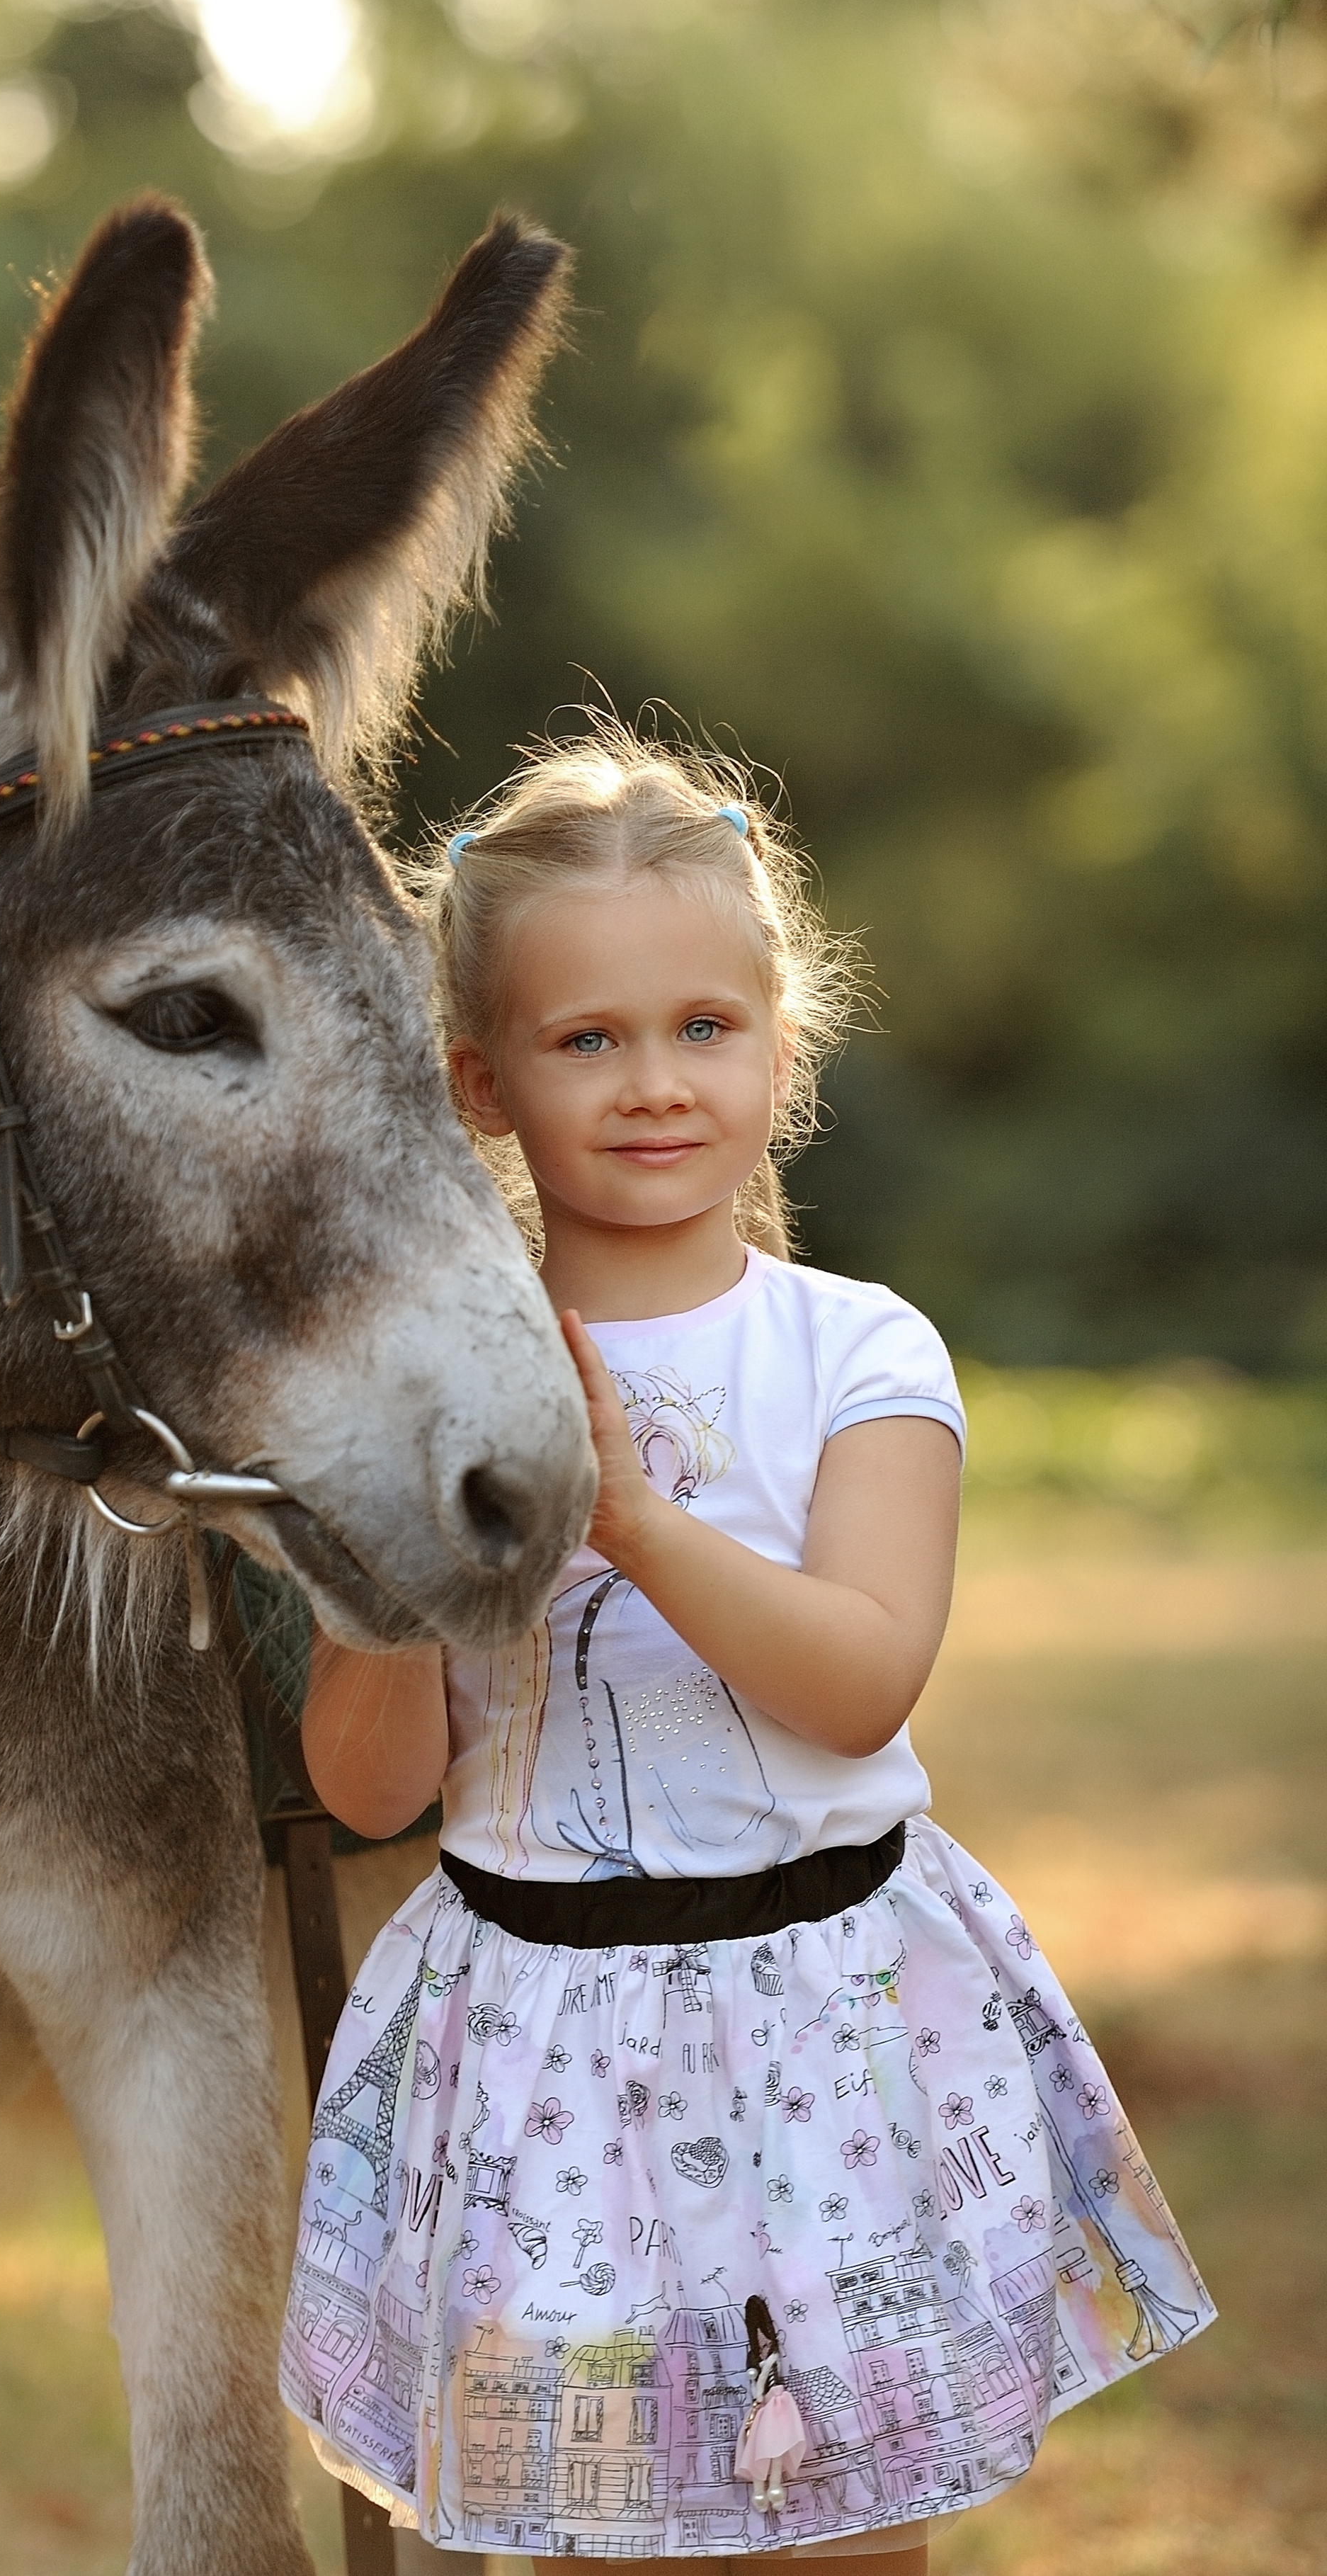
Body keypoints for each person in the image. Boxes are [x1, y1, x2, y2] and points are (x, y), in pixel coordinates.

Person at [278, 730, 1211, 2569]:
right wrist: (403, 1559)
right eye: (586, 1039)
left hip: (828, 2034)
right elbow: (367, 1785)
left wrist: (623, 1515)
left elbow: (861, 1676)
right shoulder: (439, 1398)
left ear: (784, 1047)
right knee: (583, 2522)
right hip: (542, 2040)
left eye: (704, 1027)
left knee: (849, 2529)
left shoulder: (860, 1356)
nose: (652, 1084)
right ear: (480, 1080)